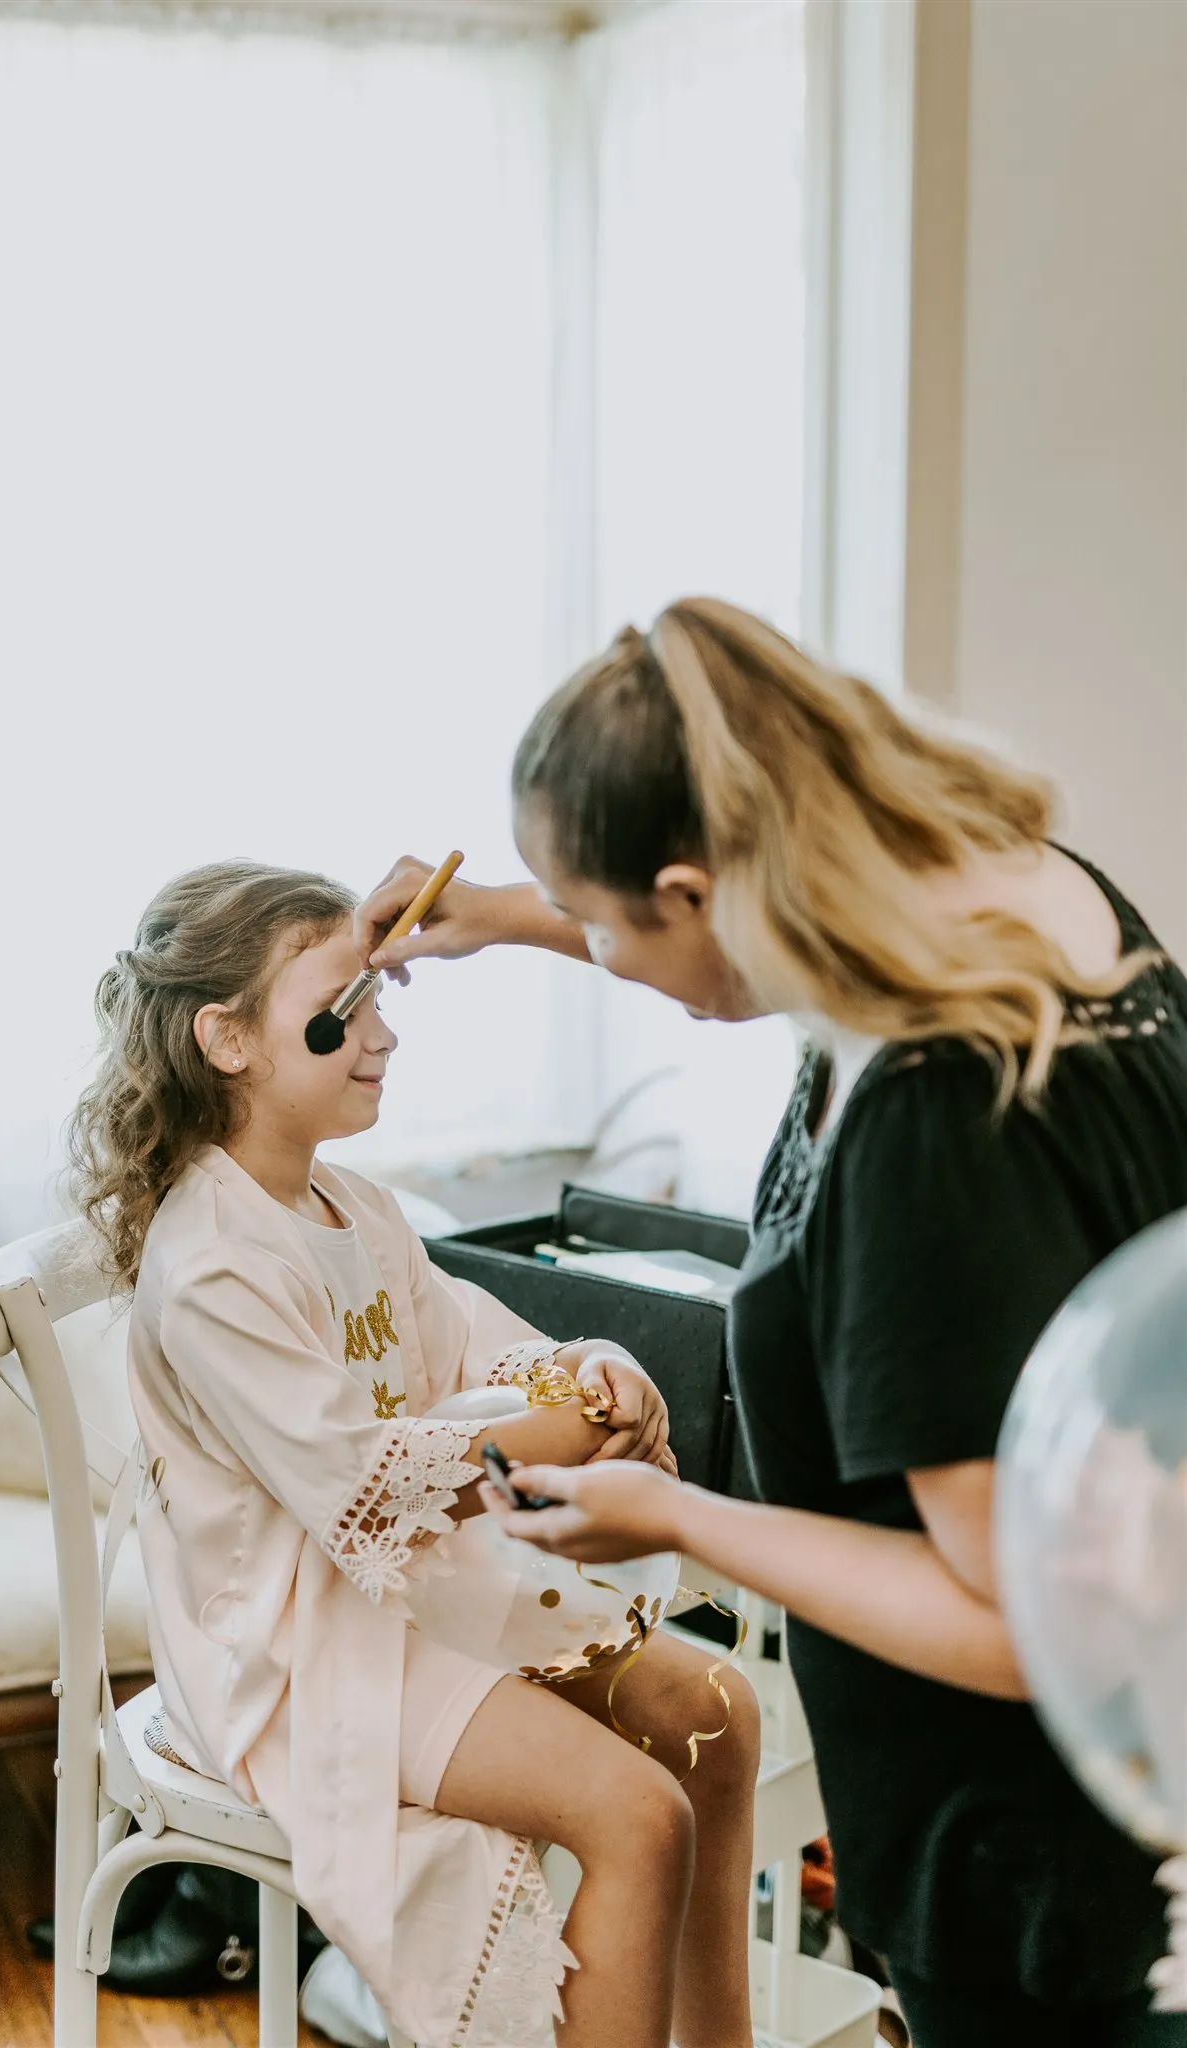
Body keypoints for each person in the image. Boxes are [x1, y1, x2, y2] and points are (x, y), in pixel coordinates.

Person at [355, 597, 1187, 2048]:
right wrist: (503, 919)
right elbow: (737, 930)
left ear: (693, 893)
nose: (603, 952)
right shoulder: (1002, 898)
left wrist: (677, 1517)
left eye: (609, 924)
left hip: (1029, 1838)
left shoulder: (939, 1129)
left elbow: (1015, 1623)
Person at [68, 860, 760, 2048]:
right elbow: (363, 1486)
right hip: (298, 1659)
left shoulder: (352, 1208)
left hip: (405, 1605)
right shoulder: (213, 1264)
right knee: (636, 1814)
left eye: (384, 997)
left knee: (717, 1713)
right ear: (226, 1037)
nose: (384, 1031)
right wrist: (562, 1428)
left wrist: (598, 1366)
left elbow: (471, 1340)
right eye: (350, 1004)